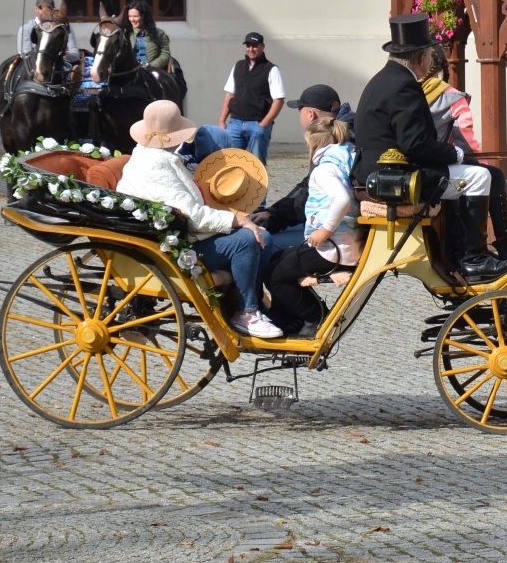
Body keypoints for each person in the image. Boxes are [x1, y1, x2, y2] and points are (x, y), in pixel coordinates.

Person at [355, 14, 507, 282]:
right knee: (479, 177)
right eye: (429, 54)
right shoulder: (403, 86)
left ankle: (504, 244)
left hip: (390, 171)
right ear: (419, 58)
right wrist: (454, 153)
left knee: (491, 175)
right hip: (396, 178)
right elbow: (414, 144)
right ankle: (473, 259)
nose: (430, 61)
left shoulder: (384, 80)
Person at [116, 100, 284, 338]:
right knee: (248, 238)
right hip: (172, 248)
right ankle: (247, 312)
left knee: (262, 235)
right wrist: (237, 220)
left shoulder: (153, 155)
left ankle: (250, 302)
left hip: (177, 235)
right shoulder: (156, 164)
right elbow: (191, 214)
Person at [421, 43, 507, 262]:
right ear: (442, 68)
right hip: (438, 166)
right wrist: (482, 164)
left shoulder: (412, 92)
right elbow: (465, 139)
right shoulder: (452, 97)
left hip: (425, 165)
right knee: (493, 175)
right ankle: (497, 245)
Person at [265, 116, 362, 336]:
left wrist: (325, 230)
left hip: (332, 248)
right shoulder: (344, 160)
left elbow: (342, 200)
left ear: (314, 144)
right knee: (277, 260)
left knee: (274, 275)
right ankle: (286, 317)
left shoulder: (324, 170)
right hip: (344, 242)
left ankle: (316, 317)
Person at [256, 83, 356, 256]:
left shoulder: (331, 143)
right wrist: (272, 212)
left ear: (310, 114)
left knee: (265, 246)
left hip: (338, 237)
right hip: (346, 229)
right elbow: (306, 186)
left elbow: (306, 196)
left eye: (299, 111)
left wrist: (274, 219)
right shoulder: (346, 134)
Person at [219, 31, 285, 163]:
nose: (251, 49)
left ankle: (259, 185)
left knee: (257, 165)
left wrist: (264, 124)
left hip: (257, 124)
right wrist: (222, 121)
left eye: (255, 46)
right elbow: (230, 94)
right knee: (231, 163)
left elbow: (279, 100)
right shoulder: (238, 66)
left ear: (262, 46)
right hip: (235, 122)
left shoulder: (271, 70)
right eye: (248, 46)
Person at [16, 0, 80, 76]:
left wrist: (58, 56)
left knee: (68, 72)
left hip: (58, 68)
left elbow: (75, 54)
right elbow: (24, 54)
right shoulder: (25, 29)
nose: (43, 11)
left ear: (53, 10)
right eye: (40, 7)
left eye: (48, 8)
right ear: (35, 9)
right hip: (32, 70)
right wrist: (43, 57)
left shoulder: (63, 27)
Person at [124, 0, 172, 69]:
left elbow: (165, 54)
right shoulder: (125, 34)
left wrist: (151, 66)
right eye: (130, 16)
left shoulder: (159, 34)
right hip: (131, 71)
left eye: (135, 16)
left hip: (152, 71)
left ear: (143, 16)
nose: (132, 19)